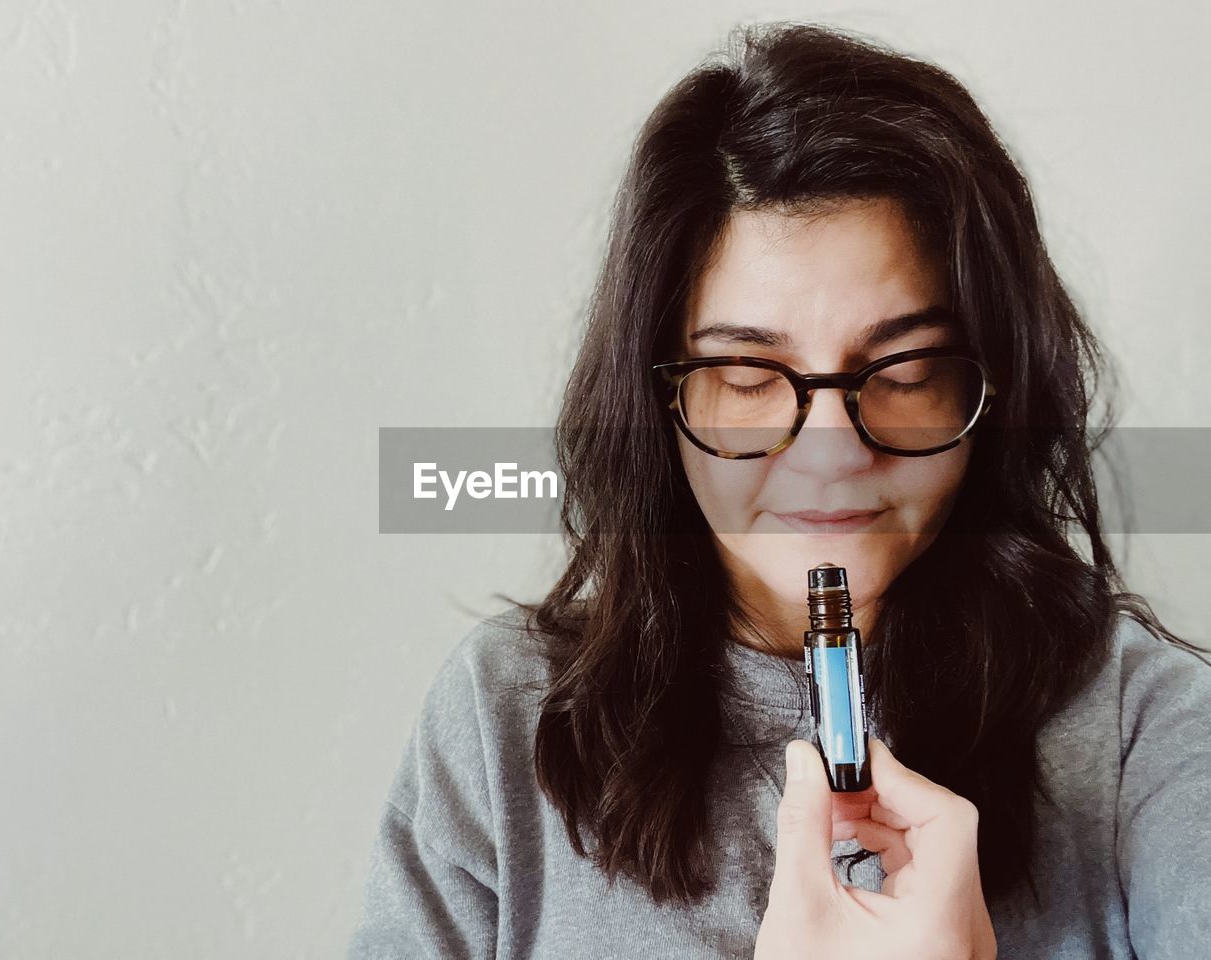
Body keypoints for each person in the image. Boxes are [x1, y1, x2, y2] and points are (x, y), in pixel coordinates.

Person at [350, 21, 1211, 959]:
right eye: (751, 380)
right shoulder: (505, 710)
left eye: (909, 367)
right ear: (654, 397)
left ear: (993, 385)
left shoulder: (1142, 725)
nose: (832, 453)